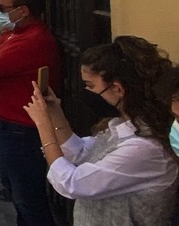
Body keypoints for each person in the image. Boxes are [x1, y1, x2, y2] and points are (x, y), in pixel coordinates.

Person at [25, 35, 178, 225]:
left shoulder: (145, 147)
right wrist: (55, 113)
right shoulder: (126, 127)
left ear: (118, 89)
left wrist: (43, 125)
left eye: (91, 85)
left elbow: (73, 183)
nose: (87, 91)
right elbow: (80, 152)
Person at [0, 0, 61, 226]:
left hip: (21, 128)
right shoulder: (13, 33)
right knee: (15, 189)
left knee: (27, 197)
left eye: (2, 9)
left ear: (23, 11)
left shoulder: (33, 40)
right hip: (5, 123)